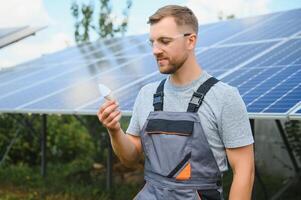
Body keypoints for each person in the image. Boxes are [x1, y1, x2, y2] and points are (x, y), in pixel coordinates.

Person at [98, 5, 254, 200]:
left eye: (164, 41)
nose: (155, 50)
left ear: (191, 41)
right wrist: (114, 130)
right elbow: (130, 158)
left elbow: (245, 172)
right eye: (152, 43)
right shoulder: (147, 94)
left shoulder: (224, 97)